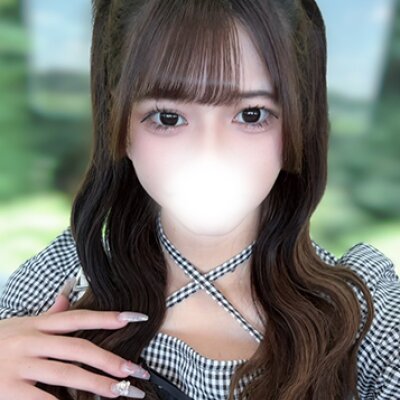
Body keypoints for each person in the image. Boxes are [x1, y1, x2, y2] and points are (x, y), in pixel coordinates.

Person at [0, 0, 399, 399]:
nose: (210, 154)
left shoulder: (363, 313)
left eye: (252, 114)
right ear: (118, 123)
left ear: (300, 120)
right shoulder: (62, 281)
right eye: (169, 117)